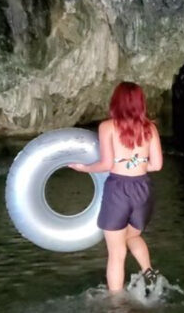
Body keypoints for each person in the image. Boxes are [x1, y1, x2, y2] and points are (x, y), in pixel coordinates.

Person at [68, 82, 163, 292]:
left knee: (116, 253)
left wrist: (83, 168)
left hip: (118, 190)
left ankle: (116, 305)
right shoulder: (150, 128)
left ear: (116, 101)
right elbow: (156, 165)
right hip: (142, 189)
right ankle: (149, 272)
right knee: (133, 236)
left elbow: (106, 164)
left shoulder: (107, 127)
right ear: (140, 103)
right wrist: (135, 163)